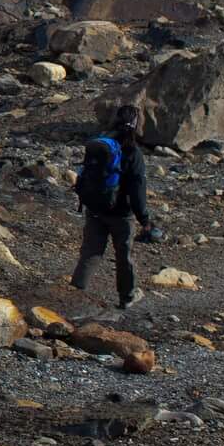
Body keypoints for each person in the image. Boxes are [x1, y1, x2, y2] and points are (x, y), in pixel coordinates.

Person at [72, 103, 159, 310]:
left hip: (95, 209)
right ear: (136, 124)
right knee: (124, 256)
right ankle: (126, 298)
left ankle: (73, 294)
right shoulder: (132, 152)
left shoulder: (101, 144)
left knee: (91, 253)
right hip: (121, 215)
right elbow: (137, 189)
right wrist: (144, 219)